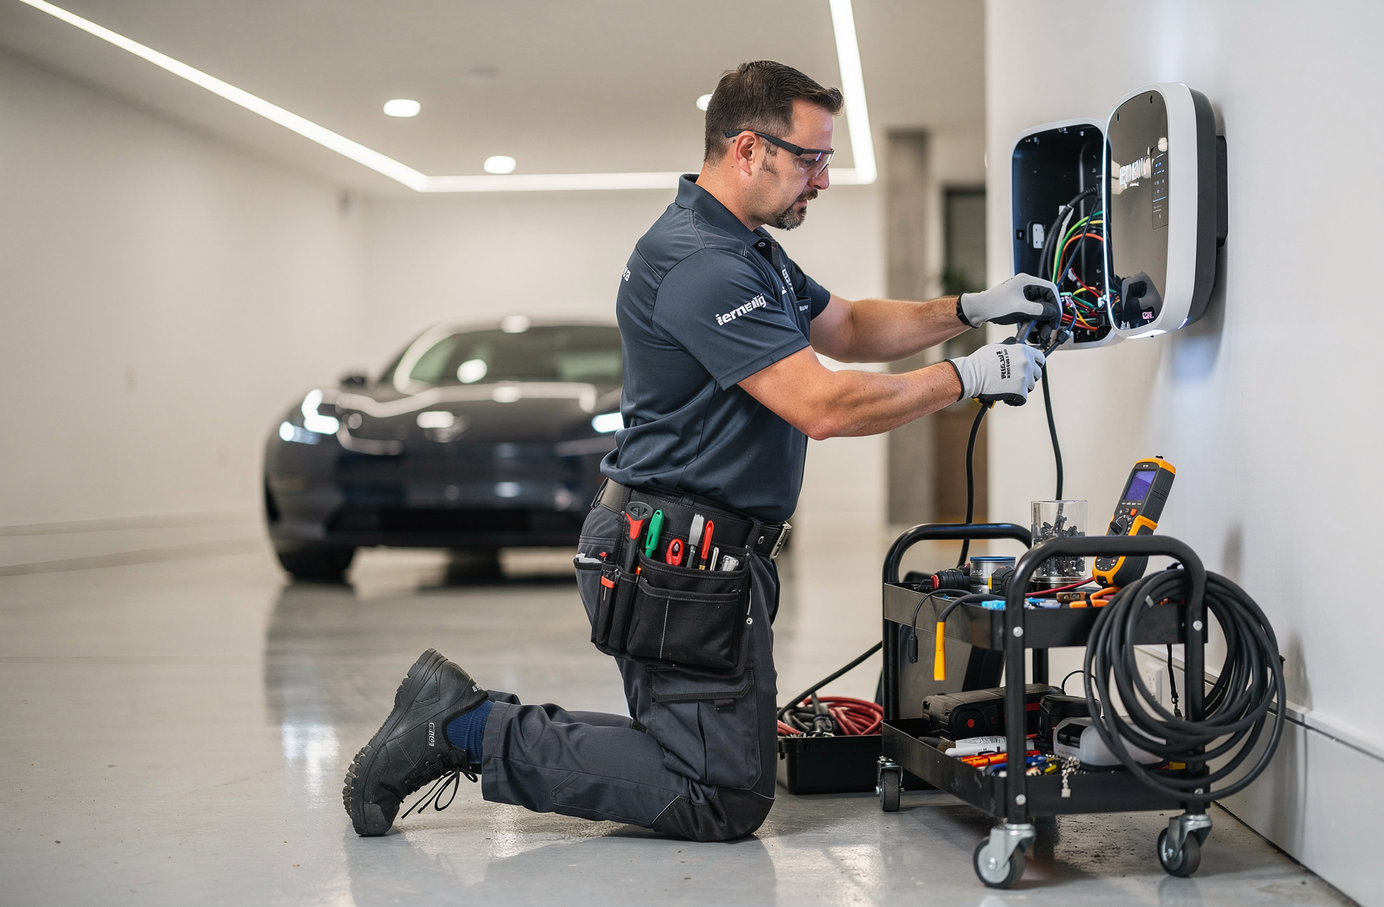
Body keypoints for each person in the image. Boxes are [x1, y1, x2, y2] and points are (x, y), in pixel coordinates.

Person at [344, 61, 1054, 842]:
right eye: (811, 159)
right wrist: (967, 377)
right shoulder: (701, 263)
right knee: (720, 795)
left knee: (715, 773)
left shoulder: (746, 248)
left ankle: (467, 721)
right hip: (677, 564)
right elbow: (820, 403)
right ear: (749, 150)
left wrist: (969, 308)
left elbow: (847, 327)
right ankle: (464, 726)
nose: (822, 179)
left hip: (698, 558)